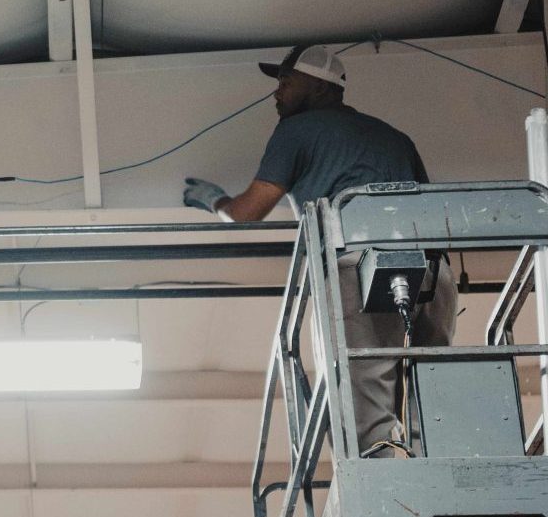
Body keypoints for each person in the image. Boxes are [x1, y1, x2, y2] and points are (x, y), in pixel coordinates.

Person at [182, 43, 457, 455]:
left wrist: (213, 200)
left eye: (286, 83)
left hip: (360, 270)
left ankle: (382, 508)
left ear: (318, 87)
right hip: (435, 277)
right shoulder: (396, 138)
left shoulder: (296, 131)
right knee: (434, 400)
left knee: (363, 413)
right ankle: (443, 487)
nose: (276, 93)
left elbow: (245, 215)